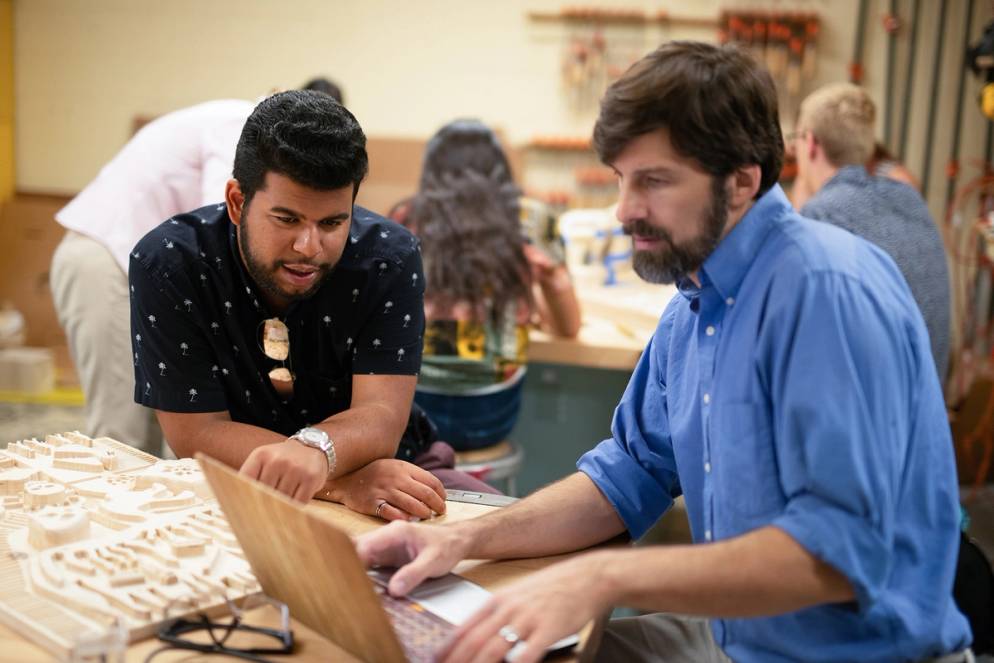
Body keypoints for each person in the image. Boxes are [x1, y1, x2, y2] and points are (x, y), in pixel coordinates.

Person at [356, 41, 972, 663]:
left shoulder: (822, 290)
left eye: (653, 181)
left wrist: (601, 578)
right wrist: (464, 540)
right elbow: (629, 473)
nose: (624, 210)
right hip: (741, 638)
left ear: (741, 182)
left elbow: (840, 553)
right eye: (624, 179)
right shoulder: (693, 305)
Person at [129, 90, 488, 520]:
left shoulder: (389, 259)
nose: (309, 247)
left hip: (389, 470)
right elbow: (198, 433)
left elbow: (382, 417)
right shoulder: (169, 264)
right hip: (242, 481)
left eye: (333, 223)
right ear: (238, 202)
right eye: (287, 220)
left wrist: (318, 454)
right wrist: (335, 482)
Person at [50, 78, 344, 457]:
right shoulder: (244, 130)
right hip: (104, 258)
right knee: (122, 438)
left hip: (139, 267)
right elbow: (222, 229)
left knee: (185, 426)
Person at [391, 120, 581, 450]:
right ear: (500, 169)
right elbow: (568, 328)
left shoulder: (406, 218)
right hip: (490, 414)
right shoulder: (530, 219)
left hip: (411, 412)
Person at [791, 82, 951, 381]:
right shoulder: (907, 198)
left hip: (878, 413)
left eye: (796, 138)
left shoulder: (823, 213)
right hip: (928, 401)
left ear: (810, 143)